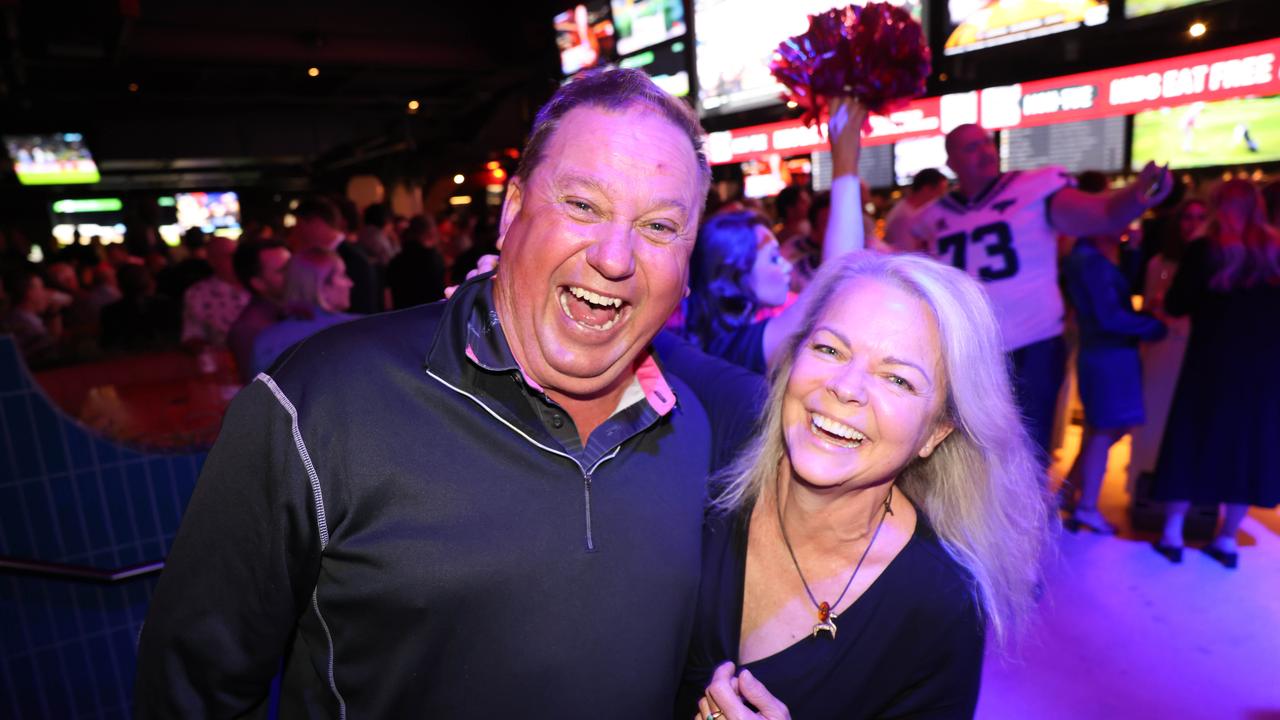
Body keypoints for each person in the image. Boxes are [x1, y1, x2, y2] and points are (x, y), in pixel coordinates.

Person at [135, 68, 758, 718]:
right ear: (513, 211)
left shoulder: (695, 433)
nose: (614, 255)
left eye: (659, 227)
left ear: (687, 268)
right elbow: (190, 690)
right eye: (582, 205)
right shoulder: (324, 401)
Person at [678, 252, 1053, 719]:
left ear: (936, 431)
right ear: (792, 358)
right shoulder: (726, 427)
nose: (846, 387)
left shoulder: (938, 607)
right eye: (829, 349)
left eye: (897, 379)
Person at [905, 123, 1173, 464]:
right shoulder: (932, 217)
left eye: (987, 143)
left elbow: (1102, 213)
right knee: (964, 454)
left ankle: (1024, 518)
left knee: (1029, 453)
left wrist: (1138, 194)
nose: (985, 151)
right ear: (951, 161)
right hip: (967, 348)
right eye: (971, 147)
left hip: (1033, 343)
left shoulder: (1034, 187)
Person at [682, 97, 869, 374]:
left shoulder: (717, 336)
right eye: (771, 258)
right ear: (735, 276)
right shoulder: (735, 348)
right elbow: (840, 273)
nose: (785, 264)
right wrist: (844, 160)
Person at [1151, 180, 1280, 568]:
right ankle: (1226, 540)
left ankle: (1172, 534)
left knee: (1191, 441)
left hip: (1210, 362)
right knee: (1245, 449)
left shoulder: (1205, 249)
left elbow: (1177, 303)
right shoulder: (1274, 249)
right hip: (1262, 369)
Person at [1059, 184, 1167, 534]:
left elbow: (1113, 301)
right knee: (1106, 428)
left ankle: (1067, 496)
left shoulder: (1092, 255)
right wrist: (1154, 327)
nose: (1126, 224)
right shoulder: (1088, 260)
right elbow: (1109, 316)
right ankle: (1086, 505)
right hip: (1107, 354)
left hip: (1105, 352)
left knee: (1102, 428)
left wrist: (1131, 255)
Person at [1128, 198, 1206, 490]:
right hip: (1162, 350)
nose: (1193, 224)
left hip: (1196, 352)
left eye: (1201, 217)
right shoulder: (1158, 263)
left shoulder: (1215, 263)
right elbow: (1150, 308)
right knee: (1153, 418)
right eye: (1187, 217)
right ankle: (1144, 488)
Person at [248, 247, 355, 377]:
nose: (350, 283)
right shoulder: (354, 329)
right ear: (321, 285)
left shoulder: (266, 339)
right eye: (343, 275)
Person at [226, 238, 292, 381]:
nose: (295, 274)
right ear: (258, 283)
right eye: (283, 270)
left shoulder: (298, 309)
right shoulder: (249, 330)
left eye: (293, 266)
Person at [180, 235, 249, 348]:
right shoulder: (198, 293)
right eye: (229, 256)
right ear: (212, 261)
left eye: (238, 254)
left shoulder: (257, 283)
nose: (237, 260)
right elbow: (192, 335)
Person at [386, 214, 447, 309]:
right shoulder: (432, 258)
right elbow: (439, 292)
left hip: (402, 317)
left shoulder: (397, 260)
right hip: (429, 315)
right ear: (431, 233)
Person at [882, 167, 948, 250]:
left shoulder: (913, 210)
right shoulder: (904, 216)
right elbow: (907, 254)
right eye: (940, 192)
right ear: (926, 189)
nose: (941, 197)